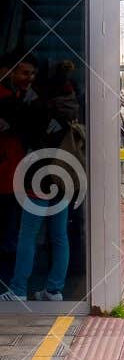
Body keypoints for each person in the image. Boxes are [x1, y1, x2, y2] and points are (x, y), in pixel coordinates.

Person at [0, 55, 74, 302]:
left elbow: (18, 128)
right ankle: (54, 290)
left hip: (37, 176)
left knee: (28, 234)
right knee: (59, 235)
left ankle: (19, 289)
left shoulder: (35, 106)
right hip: (63, 174)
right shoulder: (69, 107)